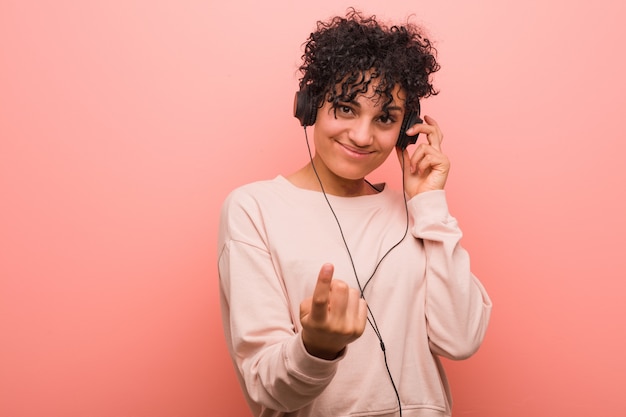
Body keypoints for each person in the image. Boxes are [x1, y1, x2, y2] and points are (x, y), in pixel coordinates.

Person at [217, 9, 492, 417]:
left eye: (385, 118)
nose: (363, 136)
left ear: (406, 128)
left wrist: (429, 203)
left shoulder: (416, 212)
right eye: (346, 108)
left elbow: (462, 339)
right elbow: (265, 389)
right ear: (310, 106)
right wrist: (317, 348)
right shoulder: (254, 209)